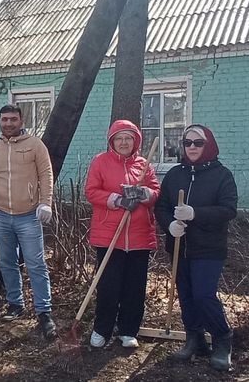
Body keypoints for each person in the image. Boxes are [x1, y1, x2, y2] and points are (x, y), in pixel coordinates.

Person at [154, 124, 237, 371]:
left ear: (208, 145)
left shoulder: (222, 175)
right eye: (187, 143)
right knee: (187, 296)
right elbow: (161, 206)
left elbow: (228, 210)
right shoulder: (174, 174)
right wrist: (169, 224)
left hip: (209, 248)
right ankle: (195, 339)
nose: (191, 147)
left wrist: (195, 214)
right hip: (179, 246)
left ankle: (222, 338)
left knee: (203, 295)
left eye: (197, 143)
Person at [0, 104, 57, 340]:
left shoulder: (35, 145)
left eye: (13, 119)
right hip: (1, 215)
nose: (9, 123)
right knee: (7, 262)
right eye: (4, 119)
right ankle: (15, 303)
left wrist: (46, 202)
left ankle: (44, 311)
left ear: (21, 121)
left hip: (29, 215)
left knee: (36, 264)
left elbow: (46, 173)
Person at [84, 120, 160, 349]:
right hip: (110, 236)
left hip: (139, 236)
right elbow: (91, 191)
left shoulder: (144, 165)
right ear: (112, 142)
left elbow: (156, 191)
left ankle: (128, 330)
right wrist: (117, 200)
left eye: (128, 138)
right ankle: (102, 329)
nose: (124, 142)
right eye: (119, 138)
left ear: (135, 140)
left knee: (134, 287)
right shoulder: (101, 162)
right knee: (108, 285)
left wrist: (144, 193)